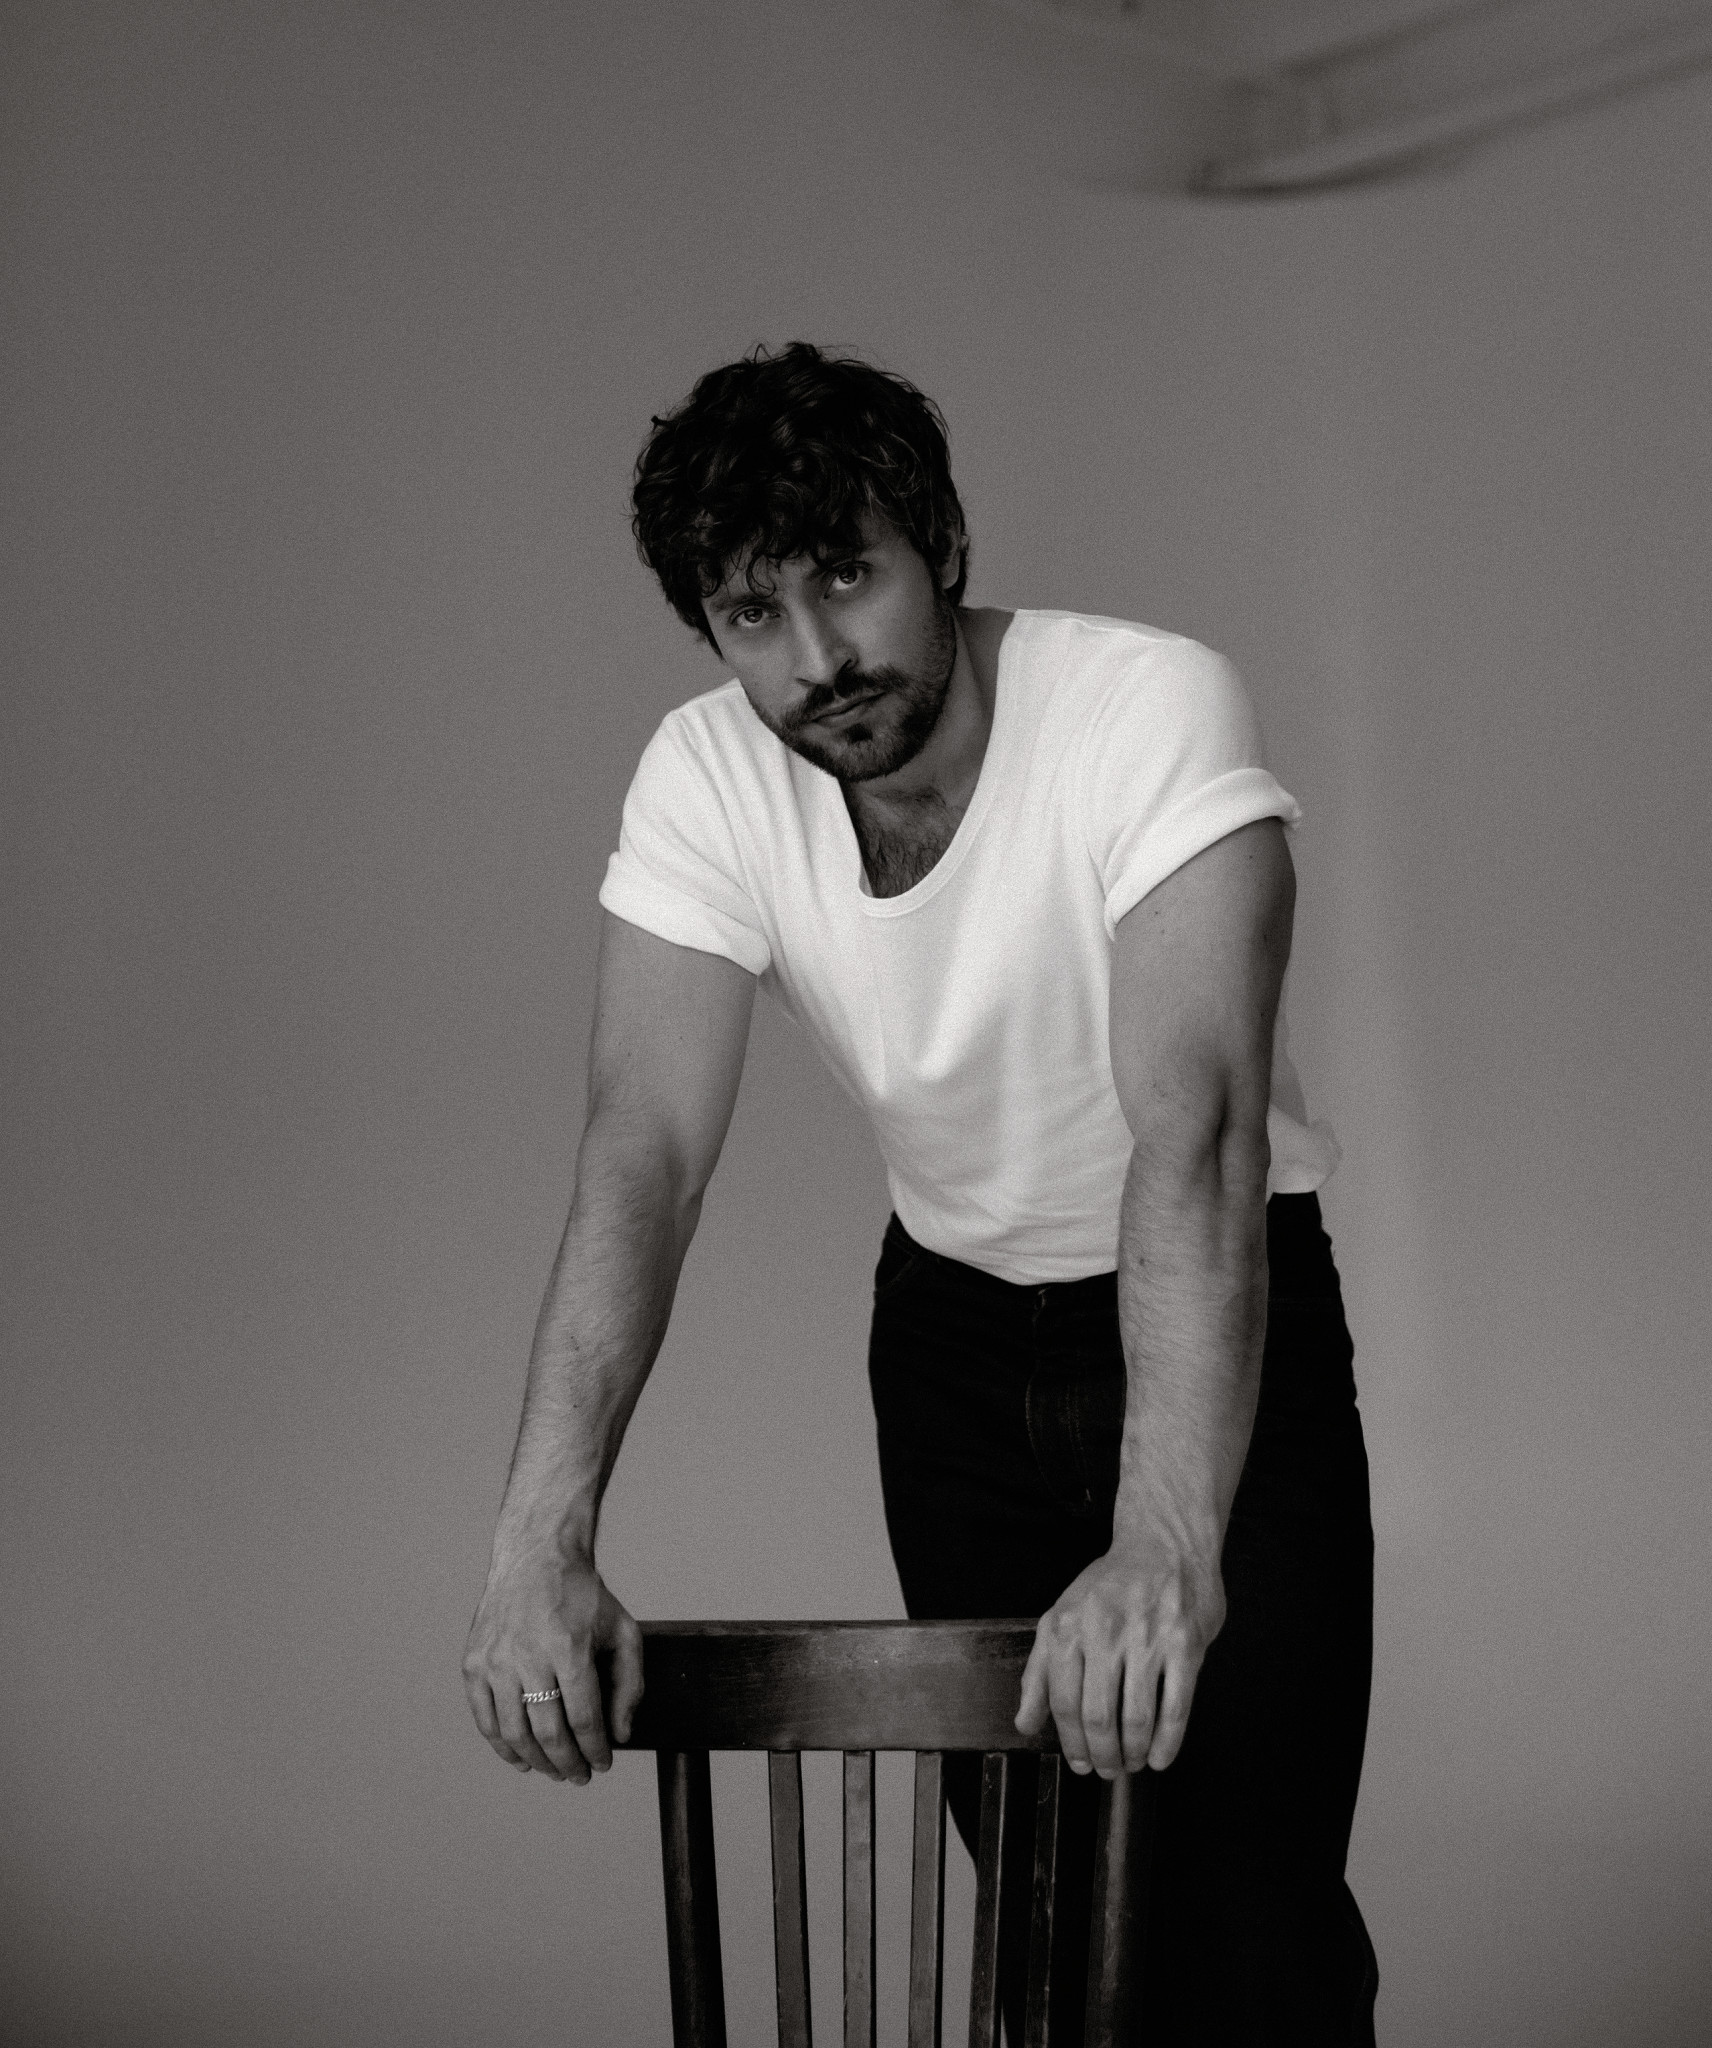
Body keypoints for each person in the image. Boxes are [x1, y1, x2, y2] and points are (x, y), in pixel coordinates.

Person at [462, 342, 1378, 2043]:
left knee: (1255, 1947)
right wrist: (539, 1547)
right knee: (1051, 1943)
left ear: (940, 543)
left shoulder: (1146, 704)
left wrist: (1165, 1538)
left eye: (845, 575)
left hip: (1213, 1315)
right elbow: (642, 1152)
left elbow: (1196, 1136)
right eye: (753, 613)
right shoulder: (707, 777)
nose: (818, 659)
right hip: (952, 1348)